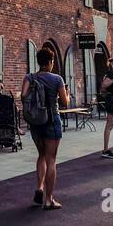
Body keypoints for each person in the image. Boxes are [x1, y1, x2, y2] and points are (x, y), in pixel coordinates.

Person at [23, 47, 70, 209]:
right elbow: (65, 102)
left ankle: (39, 188)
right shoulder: (57, 79)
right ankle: (49, 200)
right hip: (52, 121)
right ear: (50, 62)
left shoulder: (29, 77)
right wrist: (67, 94)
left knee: (41, 155)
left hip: (36, 122)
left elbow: (23, 96)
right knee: (51, 160)